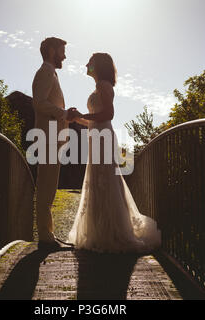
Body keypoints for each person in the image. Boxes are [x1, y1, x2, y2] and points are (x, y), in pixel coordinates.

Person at [67, 53, 162, 253]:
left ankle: (112, 232)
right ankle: (102, 231)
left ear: (98, 65)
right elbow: (96, 119)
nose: (86, 64)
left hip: (103, 138)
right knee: (99, 180)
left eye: (90, 62)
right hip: (97, 136)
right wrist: (78, 119)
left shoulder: (103, 85)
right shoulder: (99, 86)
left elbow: (108, 114)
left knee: (105, 180)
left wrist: (82, 115)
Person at [32, 37, 77, 250]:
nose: (64, 56)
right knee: (46, 186)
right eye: (61, 51)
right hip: (47, 137)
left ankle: (48, 235)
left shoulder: (51, 73)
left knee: (49, 187)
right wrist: (64, 113)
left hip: (52, 137)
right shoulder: (45, 72)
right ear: (51, 51)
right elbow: (39, 103)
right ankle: (45, 238)